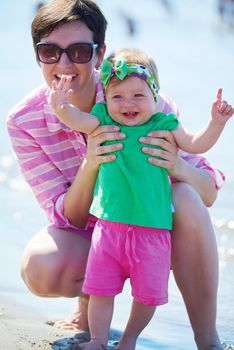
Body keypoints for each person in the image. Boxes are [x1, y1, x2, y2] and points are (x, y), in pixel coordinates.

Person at [5, 0, 228, 349]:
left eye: (78, 51)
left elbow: (208, 195)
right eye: (50, 51)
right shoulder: (24, 121)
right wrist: (91, 162)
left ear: (100, 53)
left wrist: (178, 166)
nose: (64, 64)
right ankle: (90, 314)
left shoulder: (143, 102)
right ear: (38, 56)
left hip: (153, 232)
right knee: (41, 266)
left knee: (185, 195)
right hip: (101, 239)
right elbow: (70, 219)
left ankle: (207, 339)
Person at [49, 50, 233, 350]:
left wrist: (216, 123)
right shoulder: (103, 119)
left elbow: (197, 143)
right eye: (118, 96)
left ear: (155, 95)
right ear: (106, 98)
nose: (128, 103)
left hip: (153, 231)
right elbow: (78, 120)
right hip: (109, 229)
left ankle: (129, 339)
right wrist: (60, 106)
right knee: (100, 289)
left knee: (147, 294)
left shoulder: (164, 124)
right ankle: (97, 339)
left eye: (138, 95)